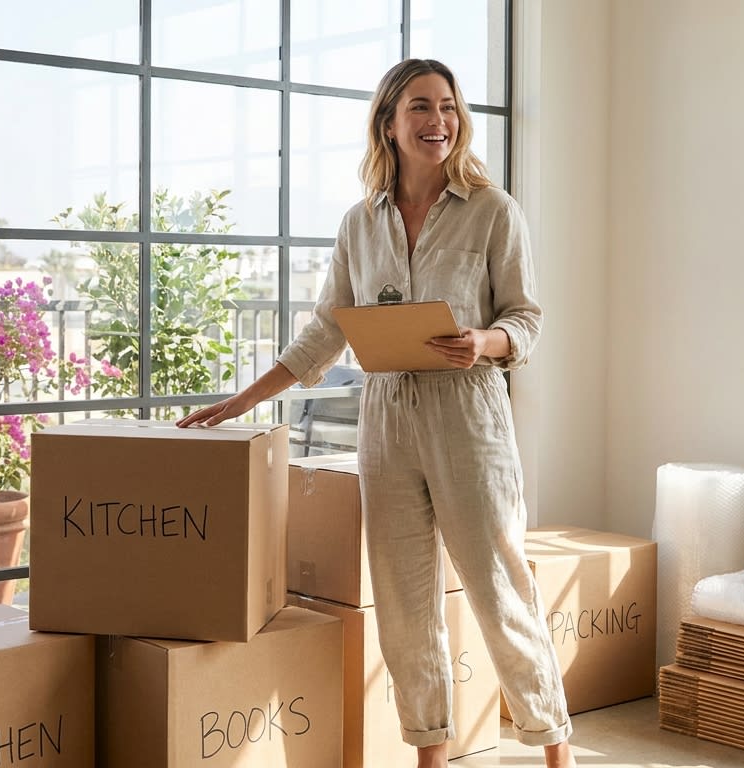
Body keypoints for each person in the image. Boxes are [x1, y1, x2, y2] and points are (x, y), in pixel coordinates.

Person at [178, 58, 575, 768]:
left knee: (500, 588)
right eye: (421, 108)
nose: (439, 122)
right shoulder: (360, 224)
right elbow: (326, 331)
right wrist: (243, 399)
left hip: (469, 413)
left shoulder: (492, 210)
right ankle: (429, 755)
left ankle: (555, 750)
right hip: (387, 419)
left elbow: (528, 318)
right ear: (389, 124)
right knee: (402, 599)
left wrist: (483, 341)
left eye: (448, 107)